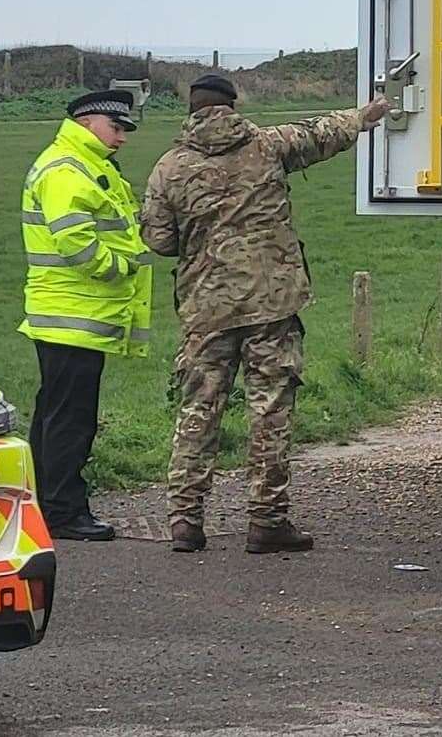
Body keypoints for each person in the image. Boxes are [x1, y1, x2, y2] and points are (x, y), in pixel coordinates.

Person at [140, 74, 389, 554]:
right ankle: (266, 520)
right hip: (271, 303)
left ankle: (185, 521)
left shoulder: (168, 168)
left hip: (206, 308)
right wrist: (364, 116)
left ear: (192, 112)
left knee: (198, 410)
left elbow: (160, 241)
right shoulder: (267, 145)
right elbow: (322, 133)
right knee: (270, 410)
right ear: (232, 108)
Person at [19, 89, 152, 540]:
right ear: (89, 122)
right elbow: (74, 240)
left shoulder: (87, 164)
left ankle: (46, 502)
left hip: (70, 313)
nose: (122, 139)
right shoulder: (68, 169)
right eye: (116, 128)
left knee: (57, 413)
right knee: (71, 417)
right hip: (73, 314)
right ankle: (62, 510)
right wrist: (119, 267)